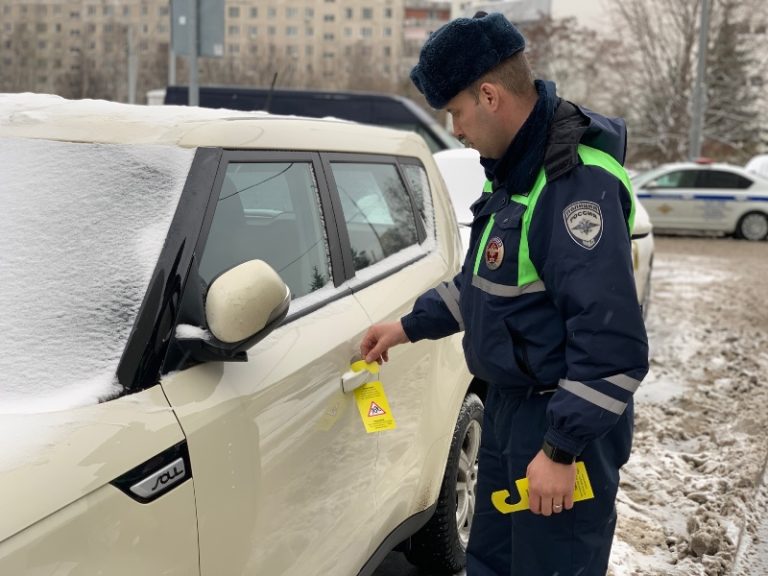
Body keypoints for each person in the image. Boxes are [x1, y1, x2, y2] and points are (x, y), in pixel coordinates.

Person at [360, 11, 649, 576]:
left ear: (489, 95)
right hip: (512, 409)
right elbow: (485, 283)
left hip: (560, 422)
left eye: (456, 112)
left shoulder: (572, 186)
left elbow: (611, 342)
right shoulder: (514, 177)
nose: (457, 130)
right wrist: (407, 326)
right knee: (491, 561)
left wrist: (562, 449)